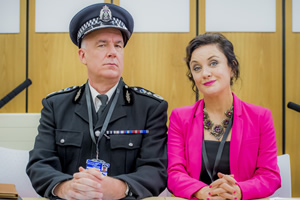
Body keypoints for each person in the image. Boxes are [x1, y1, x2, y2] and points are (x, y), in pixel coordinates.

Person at [26, 3, 168, 200]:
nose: (113, 52)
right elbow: (40, 164)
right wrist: (66, 188)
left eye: (118, 45)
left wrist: (119, 187)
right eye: (102, 45)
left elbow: (156, 170)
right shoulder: (56, 106)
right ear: (82, 55)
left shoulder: (149, 107)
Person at [167, 33, 281, 200]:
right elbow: (174, 173)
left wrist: (238, 191)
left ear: (232, 68)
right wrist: (202, 191)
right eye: (197, 67)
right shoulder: (179, 117)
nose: (205, 73)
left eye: (213, 63)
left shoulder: (260, 117)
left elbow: (270, 176)